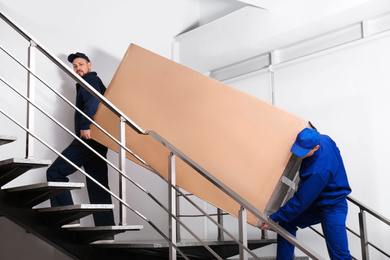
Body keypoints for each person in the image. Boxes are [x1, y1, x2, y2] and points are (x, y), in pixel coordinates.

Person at [260, 128, 352, 260]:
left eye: (304, 151)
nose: (299, 154)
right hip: (316, 202)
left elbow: (300, 201)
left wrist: (272, 219)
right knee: (286, 223)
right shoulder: (325, 138)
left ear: (316, 147)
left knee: (340, 256)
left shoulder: (318, 171)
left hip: (332, 207)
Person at [46, 52, 115, 227]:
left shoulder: (90, 80)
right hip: (98, 139)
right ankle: (106, 229)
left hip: (89, 138)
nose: (78, 68)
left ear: (89, 65)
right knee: (97, 185)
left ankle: (68, 217)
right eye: (75, 66)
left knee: (55, 172)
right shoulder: (88, 82)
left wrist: (85, 125)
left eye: (81, 64)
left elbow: (93, 101)